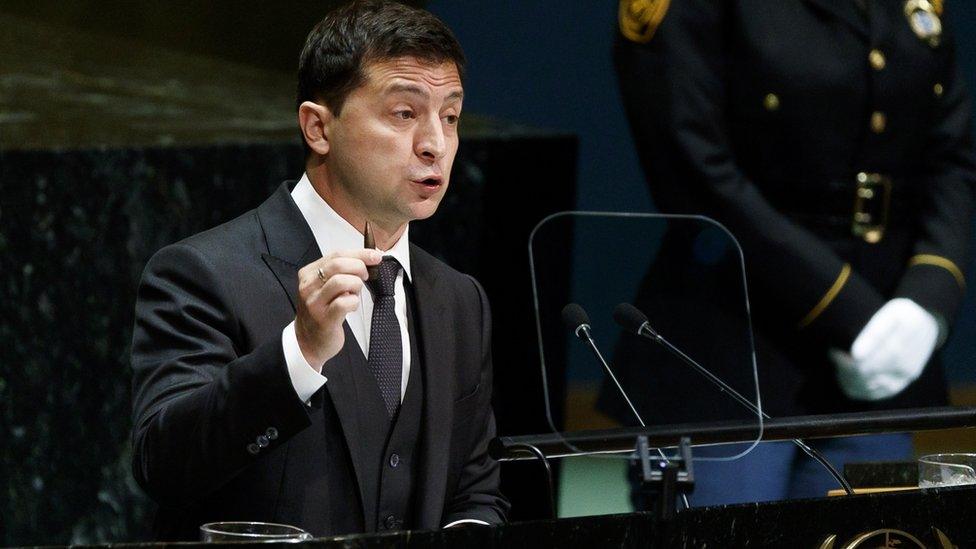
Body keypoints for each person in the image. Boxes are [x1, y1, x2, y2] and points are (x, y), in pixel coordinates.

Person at [129, 1, 508, 539]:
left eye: (450, 115)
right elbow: (162, 466)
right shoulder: (201, 275)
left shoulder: (459, 300)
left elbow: (474, 490)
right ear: (318, 128)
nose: (436, 145)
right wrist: (298, 354)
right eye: (405, 113)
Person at [602, 0, 976, 505]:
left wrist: (927, 301)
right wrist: (854, 315)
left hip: (879, 362)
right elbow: (693, 171)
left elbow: (953, 158)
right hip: (731, 348)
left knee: (872, 535)